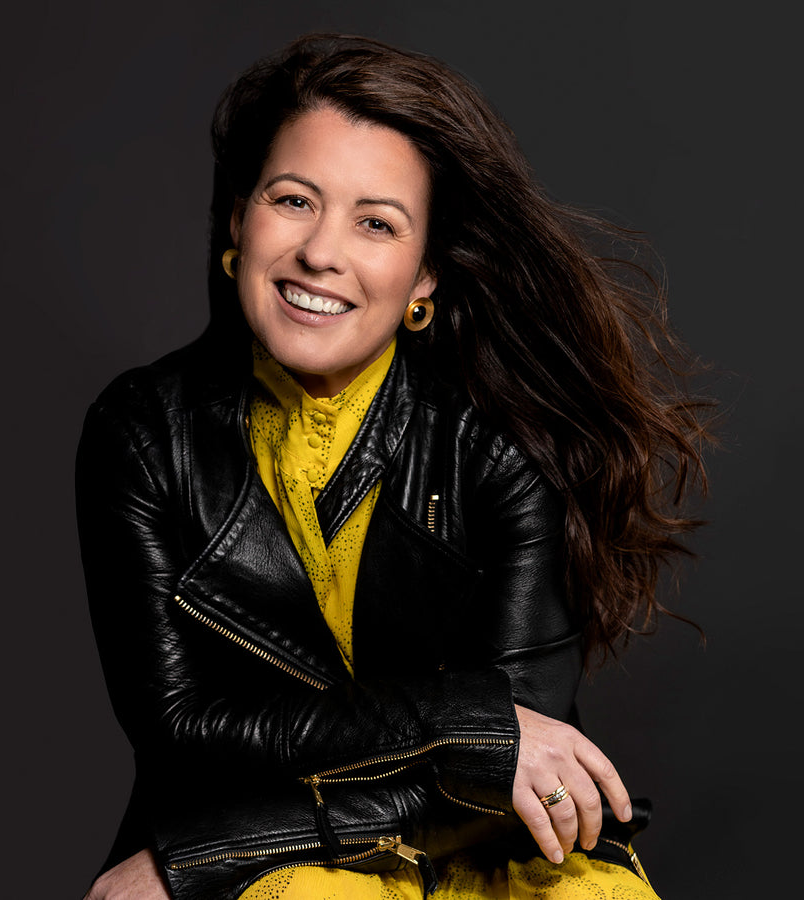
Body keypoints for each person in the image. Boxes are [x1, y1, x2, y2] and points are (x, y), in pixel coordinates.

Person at [74, 34, 710, 900]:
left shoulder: (503, 444)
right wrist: (454, 723)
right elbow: (184, 728)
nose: (321, 252)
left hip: (482, 850)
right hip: (276, 864)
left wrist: (195, 859)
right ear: (238, 219)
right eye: (293, 200)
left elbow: (521, 764)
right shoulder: (146, 434)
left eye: (376, 223)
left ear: (426, 274)